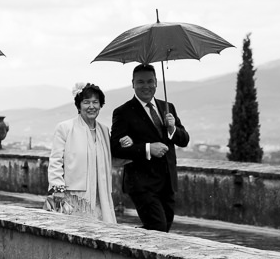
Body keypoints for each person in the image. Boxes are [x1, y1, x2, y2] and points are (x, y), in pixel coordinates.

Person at [111, 63, 190, 232]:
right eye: (140, 82)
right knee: (158, 227)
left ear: (156, 83)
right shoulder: (123, 112)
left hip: (167, 182)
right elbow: (115, 148)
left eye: (150, 81)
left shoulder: (168, 107)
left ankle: (131, 241)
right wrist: (148, 148)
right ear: (133, 83)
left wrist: (172, 129)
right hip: (141, 183)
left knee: (163, 228)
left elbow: (184, 140)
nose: (146, 86)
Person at [47, 83, 117, 223]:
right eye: (86, 102)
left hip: (100, 193)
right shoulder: (65, 128)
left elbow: (111, 157)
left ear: (100, 105)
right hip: (75, 195)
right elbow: (56, 160)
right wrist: (57, 188)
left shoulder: (104, 130)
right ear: (79, 106)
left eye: (95, 102)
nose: (91, 106)